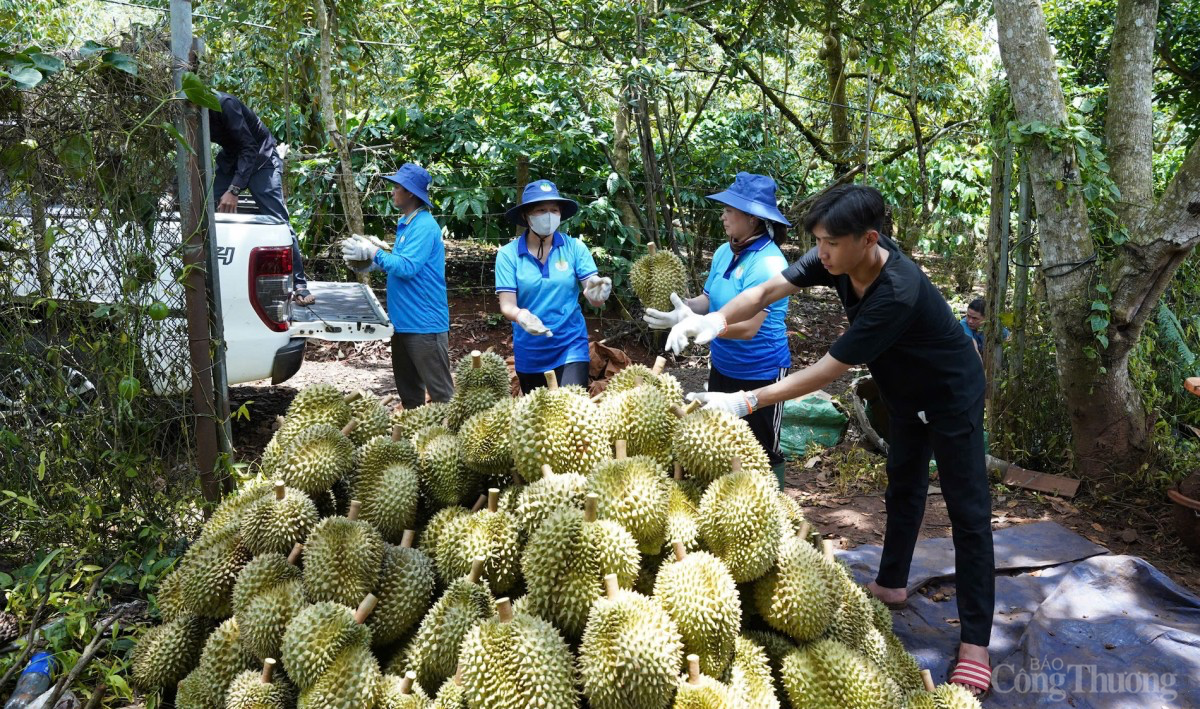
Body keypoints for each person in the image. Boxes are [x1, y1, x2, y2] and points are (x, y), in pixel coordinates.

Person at [667, 184, 994, 698]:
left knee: (967, 509)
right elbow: (768, 290)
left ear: (868, 239)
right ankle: (891, 581)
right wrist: (714, 318)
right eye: (816, 241)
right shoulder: (835, 257)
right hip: (904, 393)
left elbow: (828, 370)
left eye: (829, 243)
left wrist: (747, 401)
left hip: (951, 393)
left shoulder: (897, 291)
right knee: (902, 487)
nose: (819, 253)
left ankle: (976, 640)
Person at [643, 172, 792, 486]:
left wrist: (702, 329)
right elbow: (708, 300)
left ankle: (772, 508)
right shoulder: (726, 252)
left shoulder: (769, 263)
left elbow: (750, 327)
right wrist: (683, 310)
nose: (723, 215)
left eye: (730, 210)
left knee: (761, 450)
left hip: (762, 370)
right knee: (722, 441)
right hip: (723, 365)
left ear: (752, 218)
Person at [340, 163, 453, 409]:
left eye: (397, 187)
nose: (392, 192)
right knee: (410, 395)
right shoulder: (406, 224)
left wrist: (373, 252)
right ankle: (415, 440)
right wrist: (370, 265)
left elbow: (407, 267)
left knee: (442, 394)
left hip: (425, 325)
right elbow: (402, 264)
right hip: (403, 324)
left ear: (411, 192)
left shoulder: (424, 226)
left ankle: (456, 441)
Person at [494, 179, 612, 393]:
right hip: (530, 349)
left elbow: (592, 292)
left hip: (570, 344)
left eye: (554, 210)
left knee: (570, 407)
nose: (548, 216)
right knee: (539, 416)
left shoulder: (575, 248)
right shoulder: (508, 254)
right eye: (541, 210)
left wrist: (598, 292)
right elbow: (507, 305)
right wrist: (521, 315)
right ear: (526, 215)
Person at [209, 91, 313, 305]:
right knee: (205, 205)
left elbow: (249, 147)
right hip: (231, 158)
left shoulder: (224, 104)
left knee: (278, 220)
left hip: (260, 158)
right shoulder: (189, 112)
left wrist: (235, 189)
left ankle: (300, 284)